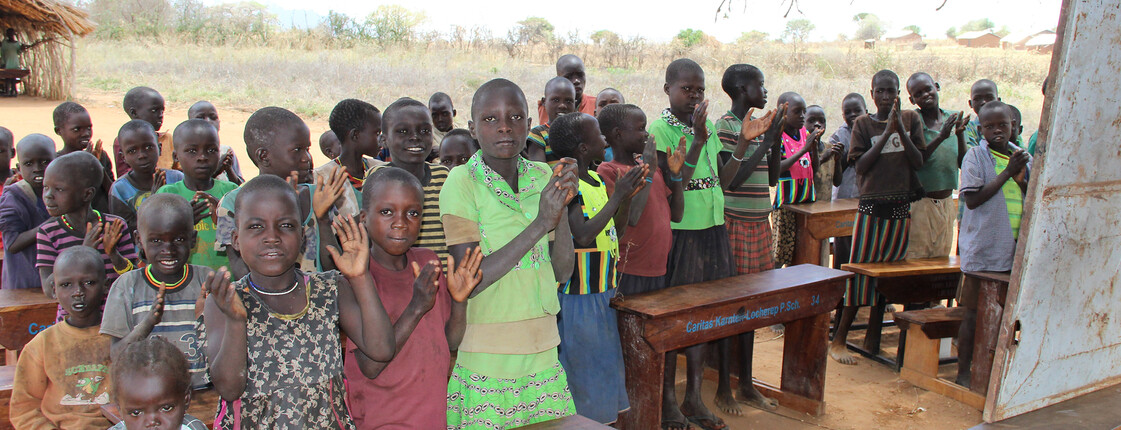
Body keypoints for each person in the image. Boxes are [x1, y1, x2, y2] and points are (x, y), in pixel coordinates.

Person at [200, 176, 395, 429]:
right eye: (256, 227)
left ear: (303, 236)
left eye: (286, 225)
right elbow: (229, 388)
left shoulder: (329, 289)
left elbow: (381, 349)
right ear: (236, 239)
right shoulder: (226, 300)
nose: (272, 237)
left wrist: (360, 277)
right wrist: (237, 322)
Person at [440, 78, 579, 427]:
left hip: (544, 351)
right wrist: (539, 223)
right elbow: (469, 279)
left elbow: (562, 272)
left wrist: (560, 212)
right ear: (472, 128)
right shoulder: (461, 182)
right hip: (488, 357)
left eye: (516, 117)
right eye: (490, 119)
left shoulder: (542, 174)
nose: (504, 126)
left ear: (530, 125)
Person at [345, 167, 483, 429]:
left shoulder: (427, 261)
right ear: (364, 217)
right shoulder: (356, 278)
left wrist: (459, 300)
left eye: (412, 213)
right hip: (382, 420)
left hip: (431, 417)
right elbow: (370, 367)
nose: (400, 222)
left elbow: (450, 341)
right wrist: (416, 307)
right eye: (387, 212)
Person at [550, 112, 647, 423]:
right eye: (598, 136)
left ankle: (601, 421)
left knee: (604, 367)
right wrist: (617, 195)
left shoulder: (594, 180)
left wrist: (625, 198)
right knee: (586, 374)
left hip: (602, 292)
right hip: (579, 296)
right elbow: (582, 235)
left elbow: (613, 229)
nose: (605, 139)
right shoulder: (567, 180)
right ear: (582, 147)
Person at [648, 58, 728, 430]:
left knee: (705, 315)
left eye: (700, 89)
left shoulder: (707, 125)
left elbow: (715, 178)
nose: (694, 95)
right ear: (668, 89)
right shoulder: (660, 131)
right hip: (683, 234)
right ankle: (667, 401)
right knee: (677, 320)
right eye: (687, 88)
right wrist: (696, 139)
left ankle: (694, 396)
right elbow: (680, 178)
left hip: (712, 228)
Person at [829, 70, 925, 365]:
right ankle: (839, 340)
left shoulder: (911, 120)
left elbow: (918, 161)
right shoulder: (863, 123)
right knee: (859, 275)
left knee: (889, 278)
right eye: (880, 92)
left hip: (900, 206)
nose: (886, 97)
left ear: (898, 93)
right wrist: (886, 134)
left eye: (891, 91)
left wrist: (899, 130)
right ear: (872, 94)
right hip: (870, 207)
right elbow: (861, 167)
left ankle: (873, 338)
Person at [710, 63, 788, 416]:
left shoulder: (762, 127)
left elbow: (772, 178)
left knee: (753, 308)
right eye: (760, 83)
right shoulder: (726, 127)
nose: (765, 89)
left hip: (760, 223)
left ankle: (746, 383)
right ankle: (724, 387)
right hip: (735, 224)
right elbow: (734, 180)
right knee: (732, 309)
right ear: (742, 89)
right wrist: (765, 140)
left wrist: (774, 141)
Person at [214, 106, 349, 280]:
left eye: (307, 149)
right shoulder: (233, 202)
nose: (306, 158)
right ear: (264, 156)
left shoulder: (319, 196)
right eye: (297, 150)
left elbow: (333, 267)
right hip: (262, 304)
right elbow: (240, 270)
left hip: (319, 301)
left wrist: (323, 220)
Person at [955, 101, 1031, 387]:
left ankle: (998, 374)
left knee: (1004, 316)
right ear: (980, 129)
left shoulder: (1023, 158)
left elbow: (1031, 195)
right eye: (990, 126)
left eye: (1003, 125)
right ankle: (964, 371)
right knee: (973, 313)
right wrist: (1008, 173)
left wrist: (1021, 178)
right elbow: (972, 200)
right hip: (984, 248)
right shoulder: (975, 156)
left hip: (1013, 250)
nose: (997, 131)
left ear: (1014, 127)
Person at [102, 194, 212, 388]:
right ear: (138, 239)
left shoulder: (207, 282)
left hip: (203, 392)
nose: (168, 249)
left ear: (192, 239)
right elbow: (117, 356)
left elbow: (228, 346)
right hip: (147, 398)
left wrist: (208, 316)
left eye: (178, 239)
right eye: (156, 241)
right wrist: (148, 322)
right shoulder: (126, 287)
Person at [10, 246, 113, 429]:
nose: (78, 292)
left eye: (88, 283)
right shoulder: (42, 345)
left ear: (105, 285)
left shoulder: (121, 338)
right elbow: (24, 409)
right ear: (54, 289)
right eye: (66, 285)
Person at [596, 103, 684, 296]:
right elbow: (632, 218)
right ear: (618, 134)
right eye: (640, 128)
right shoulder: (609, 171)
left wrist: (677, 177)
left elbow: (677, 215)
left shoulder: (648, 167)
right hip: (629, 269)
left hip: (658, 266)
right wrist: (649, 172)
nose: (646, 134)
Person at [37, 152, 138, 305]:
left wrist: (113, 254)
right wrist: (83, 251)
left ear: (87, 194)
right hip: (73, 323)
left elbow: (133, 279)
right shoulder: (48, 233)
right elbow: (49, 289)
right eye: (46, 187)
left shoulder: (115, 226)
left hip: (114, 319)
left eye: (59, 189)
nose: (48, 195)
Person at [368, 97, 452, 262]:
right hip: (396, 281)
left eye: (424, 131)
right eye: (403, 131)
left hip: (442, 279)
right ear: (383, 139)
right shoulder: (378, 177)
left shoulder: (443, 176)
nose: (415, 137)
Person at [156, 120, 238, 271]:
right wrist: (185, 221)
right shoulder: (167, 195)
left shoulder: (230, 192)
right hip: (184, 283)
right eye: (192, 151)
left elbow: (243, 237)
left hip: (228, 279)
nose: (202, 157)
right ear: (176, 157)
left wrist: (223, 216)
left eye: (211, 150)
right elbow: (157, 240)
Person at [905, 72, 969, 259]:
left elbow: (963, 163)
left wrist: (959, 134)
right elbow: (916, 161)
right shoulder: (912, 121)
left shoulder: (953, 118)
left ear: (937, 87)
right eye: (918, 93)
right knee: (917, 258)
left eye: (928, 89)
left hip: (947, 202)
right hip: (920, 205)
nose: (925, 95)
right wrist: (941, 136)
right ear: (912, 99)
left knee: (941, 257)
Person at [771, 92, 826, 269]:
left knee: (804, 253)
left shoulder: (804, 132)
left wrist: (814, 148)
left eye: (804, 111)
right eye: (797, 112)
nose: (802, 116)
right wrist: (803, 150)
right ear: (784, 113)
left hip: (806, 204)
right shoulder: (777, 136)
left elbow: (813, 169)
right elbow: (777, 169)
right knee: (780, 254)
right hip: (786, 205)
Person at [108, 337, 208, 430]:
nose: (152, 422)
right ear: (119, 408)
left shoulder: (194, 427)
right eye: (136, 413)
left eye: (166, 408)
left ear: (186, 399)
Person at [109, 120, 185, 234]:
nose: (142, 155)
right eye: (132, 151)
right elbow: (126, 230)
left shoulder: (177, 178)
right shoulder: (119, 189)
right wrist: (154, 200)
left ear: (159, 148)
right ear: (123, 157)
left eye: (149, 147)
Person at [0, 133, 54, 289]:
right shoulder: (13, 198)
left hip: (59, 280)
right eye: (29, 164)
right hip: (25, 282)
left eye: (45, 162)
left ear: (56, 161)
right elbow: (12, 244)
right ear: (18, 168)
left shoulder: (64, 191)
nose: (37, 169)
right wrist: (50, 224)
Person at [316, 99, 383, 217]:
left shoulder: (382, 169)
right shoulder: (321, 178)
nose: (382, 138)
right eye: (377, 133)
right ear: (355, 135)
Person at [53, 101, 114, 213]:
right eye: (77, 129)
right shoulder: (56, 163)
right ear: (59, 131)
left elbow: (113, 192)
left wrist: (97, 165)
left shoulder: (100, 155)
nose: (86, 133)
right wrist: (85, 164)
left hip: (103, 218)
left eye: (89, 128)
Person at [830, 93, 868, 269]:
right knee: (843, 248)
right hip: (844, 200)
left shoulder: (873, 130)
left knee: (865, 246)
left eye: (857, 110)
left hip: (866, 199)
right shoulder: (839, 136)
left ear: (866, 111)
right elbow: (835, 172)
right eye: (847, 112)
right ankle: (841, 292)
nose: (852, 115)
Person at [114, 87, 173, 177]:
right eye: (154, 110)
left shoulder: (168, 138)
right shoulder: (123, 141)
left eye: (162, 111)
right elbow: (125, 177)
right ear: (134, 113)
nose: (161, 115)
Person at [189, 101, 244, 185]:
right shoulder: (187, 153)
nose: (208, 121)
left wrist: (228, 169)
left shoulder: (226, 151)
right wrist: (217, 170)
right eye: (200, 117)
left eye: (213, 117)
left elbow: (240, 188)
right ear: (189, 125)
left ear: (219, 123)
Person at [525, 77, 576, 164]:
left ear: (575, 103)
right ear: (544, 102)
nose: (562, 105)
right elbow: (539, 172)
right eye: (556, 100)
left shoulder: (580, 133)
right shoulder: (538, 134)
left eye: (568, 101)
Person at [536, 54, 596, 125]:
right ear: (558, 78)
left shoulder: (596, 104)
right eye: (569, 76)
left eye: (580, 75)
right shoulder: (548, 105)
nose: (576, 81)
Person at [807, 105, 844, 204]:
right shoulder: (802, 150)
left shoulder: (829, 148)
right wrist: (823, 158)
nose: (817, 124)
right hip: (805, 207)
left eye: (822, 121)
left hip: (824, 206)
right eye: (811, 121)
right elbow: (806, 175)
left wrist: (838, 160)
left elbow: (837, 182)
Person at [1, 28, 52, 96]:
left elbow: (19, 52)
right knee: (7, 77)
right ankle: (8, 92)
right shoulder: (4, 43)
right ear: (7, 35)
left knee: (13, 77)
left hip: (14, 62)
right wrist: (3, 63)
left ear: (13, 34)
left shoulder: (17, 44)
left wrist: (23, 48)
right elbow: (2, 53)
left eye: (11, 34)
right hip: (6, 62)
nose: (10, 35)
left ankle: (14, 91)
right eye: (8, 34)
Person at [963, 79, 1000, 148]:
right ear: (970, 104)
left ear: (998, 101)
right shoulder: (969, 127)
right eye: (977, 99)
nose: (983, 102)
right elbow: (971, 153)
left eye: (989, 98)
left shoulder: (1007, 124)